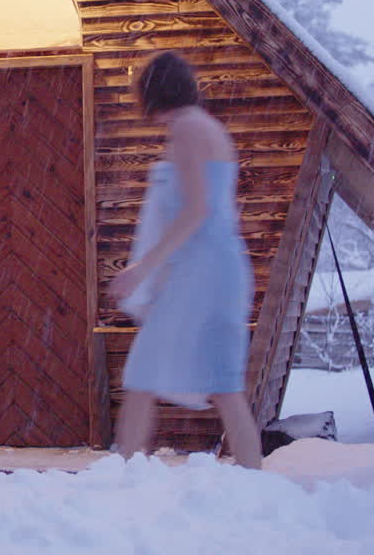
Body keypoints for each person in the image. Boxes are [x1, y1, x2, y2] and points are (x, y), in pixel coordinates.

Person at [109, 51, 263, 469]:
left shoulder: (191, 130)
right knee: (223, 383)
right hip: (215, 268)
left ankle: (120, 474)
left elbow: (196, 211)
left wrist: (144, 269)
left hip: (204, 273)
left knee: (146, 371)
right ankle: (257, 482)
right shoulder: (201, 128)